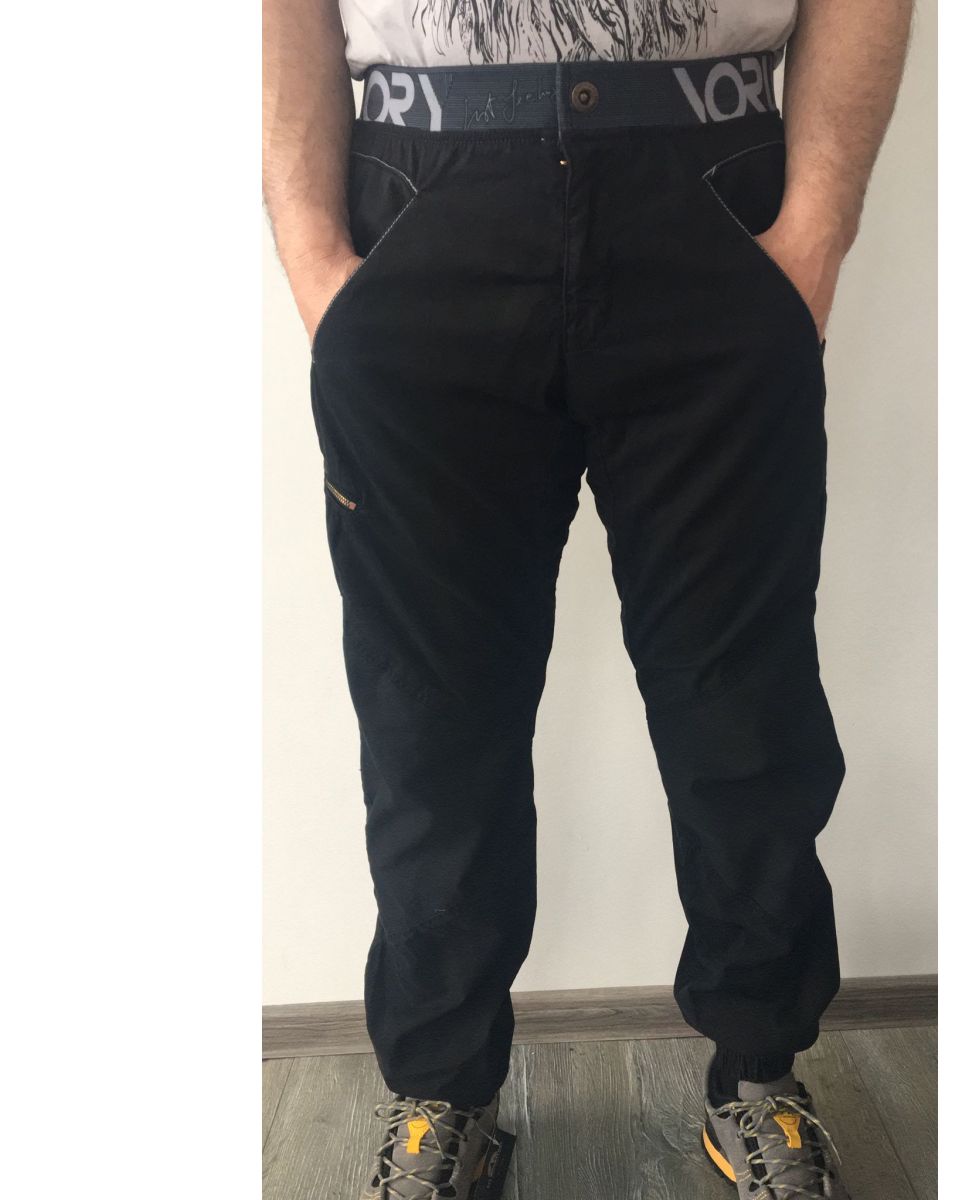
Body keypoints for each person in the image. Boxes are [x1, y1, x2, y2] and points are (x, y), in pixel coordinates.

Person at [263, 2, 912, 1196]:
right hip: (419, 198)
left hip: (709, 190)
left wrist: (817, 228)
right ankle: (442, 1089)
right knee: (431, 715)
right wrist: (313, 250)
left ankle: (759, 1072)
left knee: (743, 705)